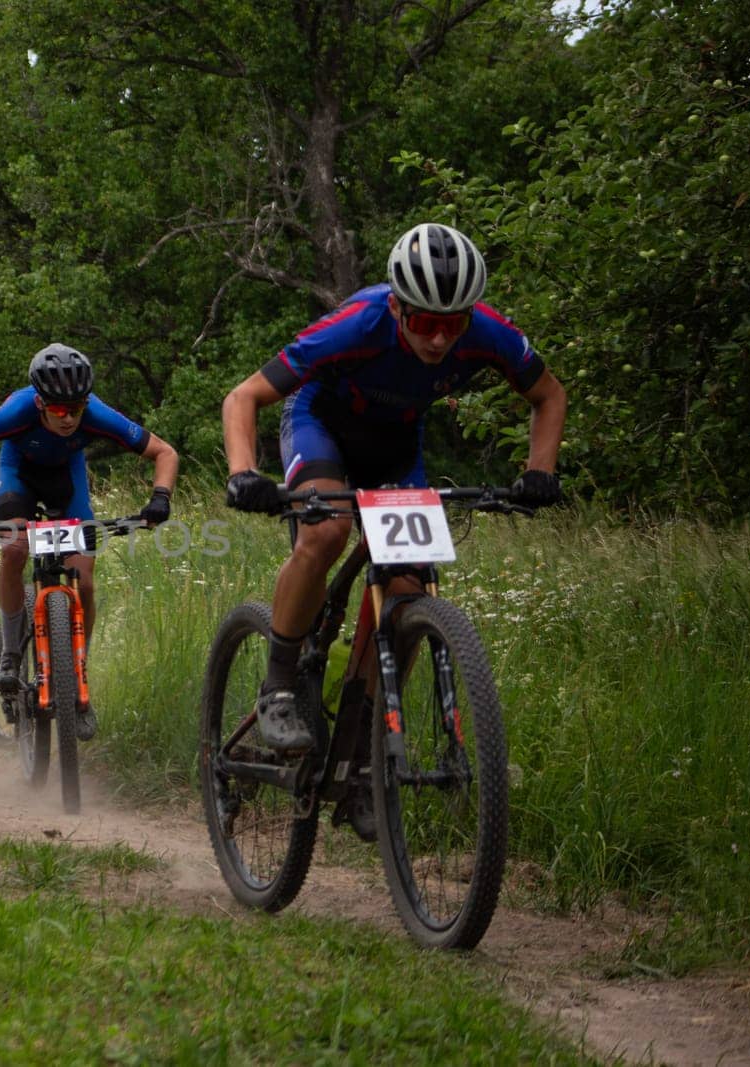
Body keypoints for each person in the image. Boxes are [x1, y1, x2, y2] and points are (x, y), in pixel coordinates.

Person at [221, 221, 566, 837]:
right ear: (399, 306)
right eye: (424, 322)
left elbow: (549, 395)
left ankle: (360, 758)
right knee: (327, 533)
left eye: (452, 324)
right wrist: (243, 472)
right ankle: (278, 684)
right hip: (319, 422)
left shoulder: (486, 332)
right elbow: (243, 396)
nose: (439, 338)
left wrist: (539, 471)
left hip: (394, 444)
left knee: (408, 585)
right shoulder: (359, 323)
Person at [0, 343, 179, 741]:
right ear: (40, 401)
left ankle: (77, 671)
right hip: (18, 477)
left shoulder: (94, 412)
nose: (69, 418)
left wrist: (160, 497)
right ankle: (11, 653)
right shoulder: (16, 411)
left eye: (77, 409)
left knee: (85, 578)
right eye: (60, 410)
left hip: (67, 481)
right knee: (14, 549)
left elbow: (164, 452)